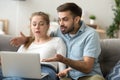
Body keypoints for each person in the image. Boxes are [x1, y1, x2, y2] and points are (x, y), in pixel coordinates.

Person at [10, 2, 105, 80]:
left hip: (87, 76)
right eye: (59, 20)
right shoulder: (60, 31)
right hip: (66, 77)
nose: (61, 23)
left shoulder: (90, 34)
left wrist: (63, 60)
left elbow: (87, 67)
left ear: (76, 19)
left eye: (65, 19)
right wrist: (26, 39)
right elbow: (43, 38)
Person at [0, 11, 66, 80]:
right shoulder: (26, 43)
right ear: (30, 27)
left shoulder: (57, 41)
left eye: (41, 24)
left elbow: (62, 66)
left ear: (48, 26)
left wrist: (62, 76)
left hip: (45, 70)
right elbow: (16, 61)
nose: (37, 27)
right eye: (34, 24)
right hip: (21, 70)